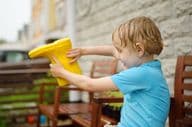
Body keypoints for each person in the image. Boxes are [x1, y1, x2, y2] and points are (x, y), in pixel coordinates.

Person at [50, 16, 170, 127]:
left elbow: (89, 84)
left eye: (120, 51)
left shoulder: (140, 74)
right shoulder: (150, 71)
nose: (117, 55)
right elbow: (112, 51)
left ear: (139, 49)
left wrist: (62, 72)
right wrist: (83, 51)